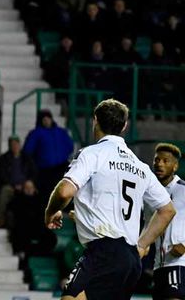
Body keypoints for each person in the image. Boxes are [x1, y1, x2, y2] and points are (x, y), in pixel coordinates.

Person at [44, 99, 176, 300]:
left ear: (94, 120)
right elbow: (167, 210)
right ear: (124, 126)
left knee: (70, 297)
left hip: (104, 252)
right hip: (131, 261)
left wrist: (50, 212)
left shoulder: (92, 154)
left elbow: (64, 192)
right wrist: (141, 245)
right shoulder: (141, 167)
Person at [151, 143, 185, 300]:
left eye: (165, 160)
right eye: (157, 160)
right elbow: (148, 227)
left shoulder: (183, 190)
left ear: (175, 166)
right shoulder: (151, 194)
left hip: (179, 263)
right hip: (158, 265)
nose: (159, 164)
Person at [22, 109, 74, 196]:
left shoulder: (61, 131)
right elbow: (28, 150)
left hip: (60, 168)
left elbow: (70, 146)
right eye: (44, 119)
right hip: (44, 170)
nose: (46, 121)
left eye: (48, 118)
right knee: (47, 194)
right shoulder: (36, 133)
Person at [0, 136, 37, 228]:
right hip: (10, 186)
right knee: (4, 192)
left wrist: (30, 181)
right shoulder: (4, 158)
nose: (15, 146)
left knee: (34, 194)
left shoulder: (26, 158)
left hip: (25, 185)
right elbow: (1, 175)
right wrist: (14, 185)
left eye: (16, 144)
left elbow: (33, 172)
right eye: (12, 144)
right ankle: (1, 220)